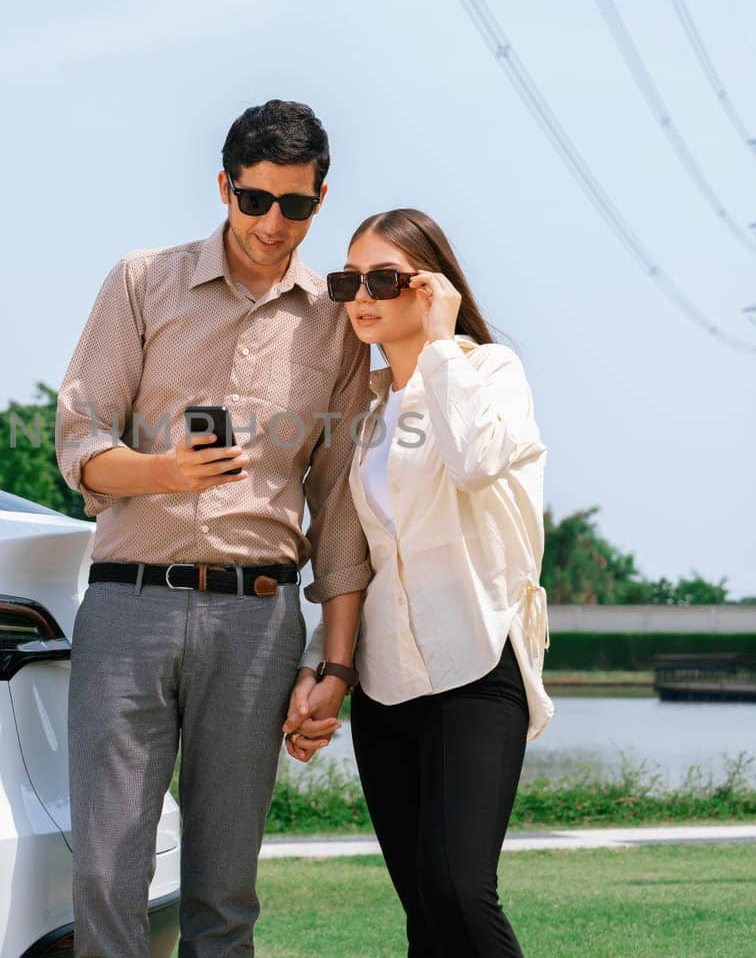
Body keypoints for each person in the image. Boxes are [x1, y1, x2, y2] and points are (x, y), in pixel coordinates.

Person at [54, 99, 371, 956]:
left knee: (225, 893)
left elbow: (340, 506)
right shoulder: (141, 281)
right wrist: (163, 472)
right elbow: (80, 438)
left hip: (258, 619)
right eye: (256, 200)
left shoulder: (339, 322)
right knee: (106, 870)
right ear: (224, 187)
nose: (274, 223)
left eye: (297, 206)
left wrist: (334, 666)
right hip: (129, 608)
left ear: (320, 198)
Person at [284, 208, 554, 958]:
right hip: (386, 684)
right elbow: (360, 558)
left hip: (474, 663)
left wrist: (440, 341)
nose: (361, 297)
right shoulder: (364, 411)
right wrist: (324, 664)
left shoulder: (489, 372)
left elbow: (471, 459)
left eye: (383, 279)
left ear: (431, 286)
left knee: (458, 891)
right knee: (423, 918)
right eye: (348, 281)